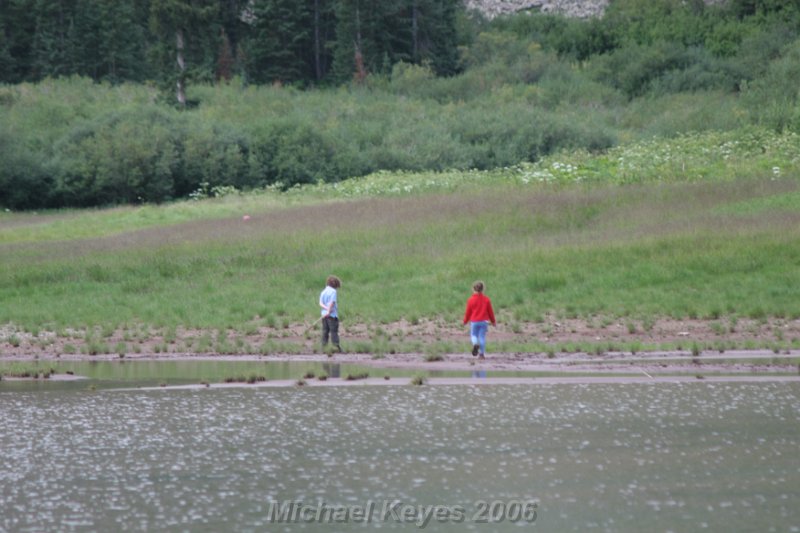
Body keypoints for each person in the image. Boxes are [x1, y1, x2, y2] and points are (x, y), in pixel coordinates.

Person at [463, 281, 496, 360]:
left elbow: (468, 312)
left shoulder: (470, 300)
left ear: (473, 289)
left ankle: (475, 344)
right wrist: (493, 321)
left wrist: (465, 321)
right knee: (482, 337)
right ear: (483, 289)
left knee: (473, 335)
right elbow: (490, 311)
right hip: (484, 321)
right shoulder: (486, 300)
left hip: (474, 321)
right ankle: (481, 355)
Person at [319, 275, 342, 352]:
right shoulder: (333, 291)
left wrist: (326, 309)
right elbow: (332, 302)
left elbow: (320, 303)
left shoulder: (323, 291)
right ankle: (336, 347)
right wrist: (329, 310)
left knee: (325, 331)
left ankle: (323, 347)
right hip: (332, 315)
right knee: (334, 331)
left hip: (324, 315)